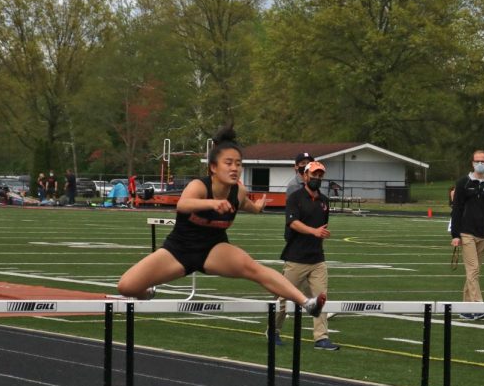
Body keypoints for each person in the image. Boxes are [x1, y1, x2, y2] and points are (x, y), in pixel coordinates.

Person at [117, 126, 326, 320]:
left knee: (254, 269)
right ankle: (147, 293)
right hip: (178, 250)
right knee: (126, 286)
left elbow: (247, 205)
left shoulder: (238, 192)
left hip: (214, 250)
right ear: (213, 167)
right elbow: (183, 205)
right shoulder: (199, 186)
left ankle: (307, 303)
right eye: (228, 163)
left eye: (238, 163)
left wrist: (258, 207)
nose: (235, 168)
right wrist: (212, 203)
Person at [272, 160, 337, 351]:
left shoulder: (324, 200)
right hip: (296, 257)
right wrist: (313, 231)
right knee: (284, 298)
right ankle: (273, 330)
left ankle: (321, 338)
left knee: (320, 298)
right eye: (314, 174)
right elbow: (293, 223)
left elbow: (322, 227)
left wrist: (320, 237)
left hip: (317, 258)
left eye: (320, 175)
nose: (317, 178)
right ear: (305, 175)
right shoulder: (295, 198)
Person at [450, 150, 484, 320]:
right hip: (466, 233)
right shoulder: (463, 183)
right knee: (473, 269)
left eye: (483, 161)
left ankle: (465, 307)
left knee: (474, 273)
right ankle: (479, 305)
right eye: (477, 161)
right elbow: (456, 210)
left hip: (482, 234)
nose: (480, 163)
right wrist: (455, 234)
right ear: (472, 163)